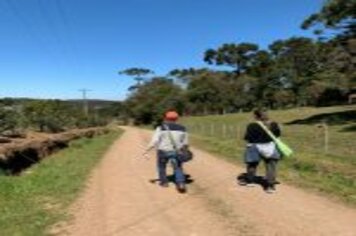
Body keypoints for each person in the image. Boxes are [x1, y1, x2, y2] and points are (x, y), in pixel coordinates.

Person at [144, 111, 189, 193]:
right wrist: (184, 151)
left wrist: (147, 150)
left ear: (166, 118)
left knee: (161, 166)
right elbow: (185, 143)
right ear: (177, 119)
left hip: (163, 151)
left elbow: (155, 141)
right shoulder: (183, 128)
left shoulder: (161, 127)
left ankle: (164, 182)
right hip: (177, 151)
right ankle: (181, 183)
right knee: (178, 167)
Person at [240, 109, 281, 193]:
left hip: (254, 146)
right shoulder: (273, 124)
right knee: (271, 166)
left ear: (255, 116)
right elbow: (277, 135)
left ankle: (250, 181)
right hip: (270, 146)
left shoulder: (251, 125)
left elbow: (247, 137)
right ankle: (270, 186)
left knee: (252, 164)